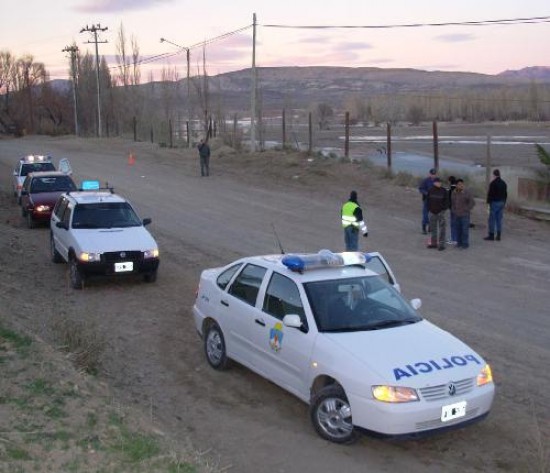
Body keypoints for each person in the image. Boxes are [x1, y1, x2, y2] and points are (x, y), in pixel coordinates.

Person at [451, 179, 475, 249]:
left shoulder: (467, 192)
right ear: (456, 185)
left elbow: (472, 202)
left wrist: (467, 209)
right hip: (456, 214)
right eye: (459, 184)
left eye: (462, 184)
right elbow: (452, 202)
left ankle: (465, 244)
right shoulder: (454, 192)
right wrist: (453, 210)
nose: (460, 185)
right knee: (458, 229)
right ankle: (459, 243)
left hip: (465, 215)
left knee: (465, 230)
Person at [484, 169, 507, 241]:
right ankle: (498, 236)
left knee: (492, 219)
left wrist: (488, 202)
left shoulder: (493, 183)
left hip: (494, 203)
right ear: (499, 174)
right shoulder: (504, 183)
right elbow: (506, 194)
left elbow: (490, 194)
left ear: (494, 175)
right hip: (502, 202)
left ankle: (491, 235)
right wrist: (504, 202)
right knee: (499, 220)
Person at [426, 177, 448, 250]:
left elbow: (447, 202)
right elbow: (428, 201)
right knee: (433, 229)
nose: (439, 183)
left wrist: (443, 210)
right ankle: (434, 243)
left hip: (441, 212)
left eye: (440, 182)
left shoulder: (444, 191)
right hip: (432, 212)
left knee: (442, 229)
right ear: (434, 183)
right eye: (438, 182)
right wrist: (429, 210)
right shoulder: (430, 190)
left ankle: (441, 245)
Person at [418, 168, 438, 234]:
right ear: (429, 174)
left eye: (434, 174)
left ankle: (430, 227)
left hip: (434, 201)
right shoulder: (425, 181)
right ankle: (424, 229)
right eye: (432, 174)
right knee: (425, 215)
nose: (433, 175)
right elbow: (421, 189)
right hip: (426, 200)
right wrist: (426, 193)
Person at [447, 176, 457, 245]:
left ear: (450, 181)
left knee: (453, 224)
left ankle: (454, 239)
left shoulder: (452, 189)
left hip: (453, 209)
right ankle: (456, 238)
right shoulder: (458, 188)